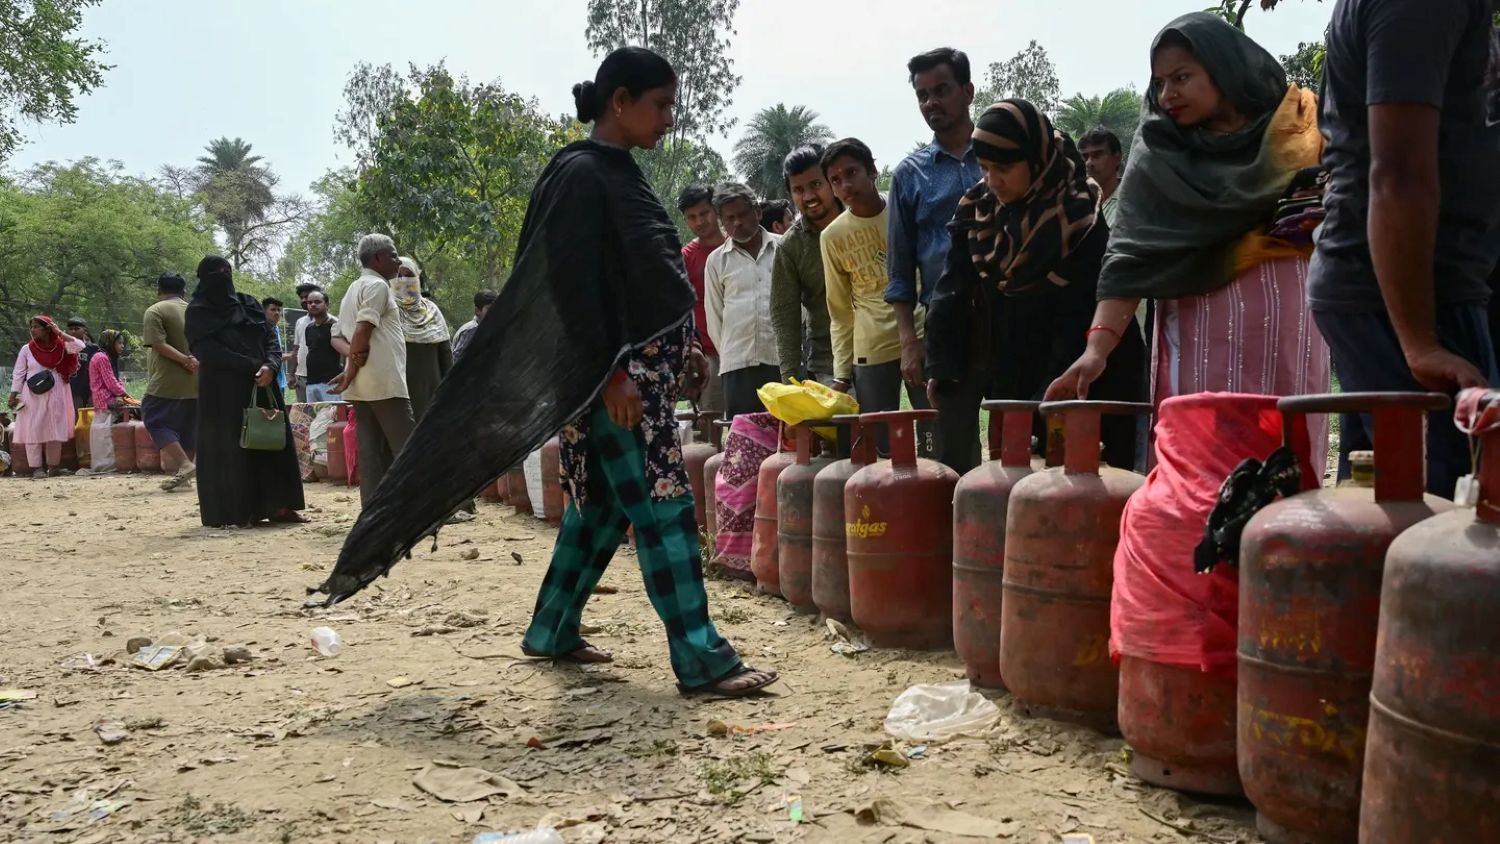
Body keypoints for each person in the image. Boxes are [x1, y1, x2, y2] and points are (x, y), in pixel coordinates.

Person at [1046, 13, 1331, 476]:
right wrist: (1097, 350)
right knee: (1200, 474)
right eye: (1159, 82)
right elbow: (1130, 253)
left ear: (1225, 69)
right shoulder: (1159, 157)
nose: (1167, 95)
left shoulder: (1299, 127)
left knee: (1287, 469)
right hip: (1199, 341)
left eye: (1182, 78)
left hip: (1288, 333)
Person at [1307, 0, 1498, 498]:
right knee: (1446, 513)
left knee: (1383, 502)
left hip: (1410, 287)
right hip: (1407, 295)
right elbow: (1398, 173)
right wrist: (1420, 342)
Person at [927, 101, 1146, 469]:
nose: (993, 180)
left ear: (1036, 158)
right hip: (1016, 361)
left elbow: (1080, 309)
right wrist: (942, 366)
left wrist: (1044, 394)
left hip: (1088, 373)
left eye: (1005, 167)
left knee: (1094, 484)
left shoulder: (1077, 215)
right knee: (1022, 486)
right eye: (985, 168)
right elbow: (951, 292)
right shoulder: (978, 211)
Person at [889, 47, 982, 471]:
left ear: (968, 91)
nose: (931, 103)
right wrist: (910, 340)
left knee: (1017, 434)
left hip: (1009, 313)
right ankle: (957, 534)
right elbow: (900, 268)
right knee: (952, 443)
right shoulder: (910, 175)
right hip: (945, 323)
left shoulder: (1004, 156)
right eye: (922, 95)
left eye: (941, 90)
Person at [820, 138, 933, 451]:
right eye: (835, 180)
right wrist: (842, 373)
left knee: (935, 436)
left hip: (921, 335)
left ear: (872, 171)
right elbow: (840, 310)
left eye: (851, 172)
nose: (845, 184)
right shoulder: (832, 236)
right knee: (881, 446)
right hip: (871, 348)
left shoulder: (905, 211)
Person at [186, 256, 307, 527]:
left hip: (261, 386)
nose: (223, 276)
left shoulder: (249, 304)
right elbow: (206, 351)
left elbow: (270, 340)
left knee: (272, 443)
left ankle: (279, 507)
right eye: (216, 273)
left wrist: (271, 366)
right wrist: (252, 365)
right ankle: (238, 511)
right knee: (230, 450)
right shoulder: (197, 311)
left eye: (227, 271)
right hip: (223, 394)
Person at [329, 234, 414, 507]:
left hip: (364, 387)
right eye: (392, 255)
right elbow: (362, 331)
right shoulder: (377, 287)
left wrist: (350, 371)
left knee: (370, 454)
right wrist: (352, 369)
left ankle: (374, 513)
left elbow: (341, 337)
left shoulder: (353, 288)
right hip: (383, 383)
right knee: (407, 448)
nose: (397, 260)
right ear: (377, 258)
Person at [704, 182, 782, 416]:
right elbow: (715, 317)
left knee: (786, 438)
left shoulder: (783, 248)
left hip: (781, 360)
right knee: (745, 440)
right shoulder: (716, 261)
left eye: (742, 214)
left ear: (757, 212)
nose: (737, 223)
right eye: (729, 219)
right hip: (737, 366)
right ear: (722, 222)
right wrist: (732, 352)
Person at [770, 145, 837, 385]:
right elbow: (784, 316)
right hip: (828, 363)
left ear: (831, 180)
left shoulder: (863, 219)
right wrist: (790, 383)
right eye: (799, 190)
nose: (808, 196)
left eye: (816, 185)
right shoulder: (790, 246)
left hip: (885, 352)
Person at [142, 272, 199, 491]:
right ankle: (185, 474)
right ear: (184, 290)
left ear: (159, 290)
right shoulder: (195, 312)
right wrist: (196, 362)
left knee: (153, 417)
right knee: (188, 427)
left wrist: (185, 360)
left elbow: (158, 344)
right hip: (196, 381)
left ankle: (185, 465)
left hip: (166, 380)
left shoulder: (155, 310)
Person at [8, 315, 84, 477]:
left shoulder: (61, 346)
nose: (33, 330)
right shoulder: (27, 349)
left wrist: (59, 333)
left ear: (47, 329)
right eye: (31, 327)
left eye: (36, 327)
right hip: (33, 395)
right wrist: (14, 394)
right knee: (33, 430)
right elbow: (19, 373)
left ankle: (53, 467)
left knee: (55, 430)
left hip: (57, 393)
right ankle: (37, 468)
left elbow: (79, 346)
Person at [678, 185, 727, 427]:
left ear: (716, 210)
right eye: (692, 217)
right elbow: (680, 306)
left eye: (704, 213)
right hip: (708, 353)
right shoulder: (686, 257)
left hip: (744, 349)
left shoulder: (736, 247)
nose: (700, 221)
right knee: (711, 426)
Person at [391, 257, 452, 423]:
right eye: (399, 276)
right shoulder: (388, 311)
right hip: (399, 391)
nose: (404, 280)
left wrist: (450, 389)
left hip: (432, 388)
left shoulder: (431, 310)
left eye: (409, 275)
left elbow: (445, 354)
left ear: (417, 278)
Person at [88, 328, 133, 473]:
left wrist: (122, 393)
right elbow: (110, 382)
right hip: (104, 400)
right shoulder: (101, 357)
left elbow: (115, 379)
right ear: (110, 342)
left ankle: (108, 464)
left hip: (107, 399)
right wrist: (126, 395)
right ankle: (106, 465)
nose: (122, 346)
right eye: (119, 343)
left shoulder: (107, 357)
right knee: (104, 436)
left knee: (105, 434)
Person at [301, 290, 342, 404]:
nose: (313, 305)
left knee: (333, 419)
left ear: (327, 304)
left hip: (331, 383)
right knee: (314, 420)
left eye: (317, 302)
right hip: (311, 383)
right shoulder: (309, 328)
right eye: (310, 302)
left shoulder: (336, 324)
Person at [1079, 128, 1125, 227]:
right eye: (1085, 157)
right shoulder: (1077, 203)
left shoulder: (1131, 203)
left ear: (1117, 158)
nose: (1089, 163)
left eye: (1097, 155)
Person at [288, 282, 321, 403]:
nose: (303, 300)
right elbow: (296, 350)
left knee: (326, 416)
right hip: (301, 377)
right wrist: (291, 374)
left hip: (325, 379)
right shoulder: (300, 322)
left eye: (306, 297)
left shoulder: (332, 322)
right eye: (301, 298)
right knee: (304, 416)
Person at [451, 289, 498, 363]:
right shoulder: (472, 330)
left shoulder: (484, 329)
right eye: (489, 309)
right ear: (477, 311)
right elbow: (457, 362)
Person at [65, 317, 100, 415]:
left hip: (90, 390)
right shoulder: (66, 348)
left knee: (91, 419)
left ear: (84, 330)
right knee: (75, 419)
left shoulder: (93, 348)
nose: (73, 331)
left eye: (76, 329)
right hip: (73, 390)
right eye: (70, 329)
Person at [261, 297, 288, 395]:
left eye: (278, 310)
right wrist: (289, 356)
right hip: (268, 381)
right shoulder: (261, 331)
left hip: (280, 381)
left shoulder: (276, 329)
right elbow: (266, 356)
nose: (276, 313)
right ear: (264, 311)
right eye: (272, 309)